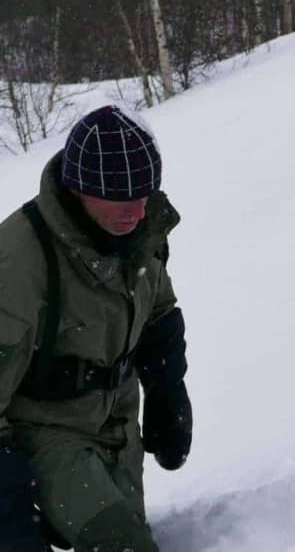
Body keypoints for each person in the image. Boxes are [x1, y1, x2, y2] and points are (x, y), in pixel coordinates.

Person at [0, 105, 193, 552]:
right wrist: (11, 515)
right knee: (122, 544)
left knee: (131, 536)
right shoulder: (19, 263)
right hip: (43, 432)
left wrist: (168, 391)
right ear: (78, 189)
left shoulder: (141, 230)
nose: (137, 210)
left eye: (144, 195)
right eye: (120, 198)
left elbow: (158, 309)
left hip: (115, 424)